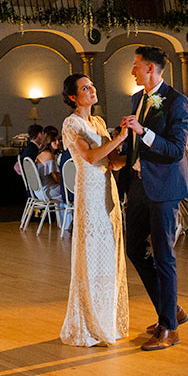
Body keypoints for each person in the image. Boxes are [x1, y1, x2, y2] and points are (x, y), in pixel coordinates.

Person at [113, 46, 188, 352]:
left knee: (163, 257)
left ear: (150, 68)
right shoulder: (138, 99)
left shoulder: (177, 101)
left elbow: (175, 151)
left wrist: (143, 131)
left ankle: (169, 328)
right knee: (134, 248)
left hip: (164, 188)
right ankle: (171, 310)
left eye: (135, 66)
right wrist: (121, 154)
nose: (132, 71)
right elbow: (137, 145)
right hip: (138, 186)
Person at [59, 74, 130, 347]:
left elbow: (111, 162)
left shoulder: (98, 123)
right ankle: (88, 324)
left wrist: (137, 155)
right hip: (89, 193)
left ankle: (107, 320)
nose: (91, 90)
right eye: (85, 88)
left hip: (107, 188)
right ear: (73, 97)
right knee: (92, 254)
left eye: (92, 86)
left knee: (109, 255)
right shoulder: (71, 123)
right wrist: (120, 136)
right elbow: (89, 157)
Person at [34, 126, 65, 202]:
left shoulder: (41, 154)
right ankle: (68, 213)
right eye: (54, 140)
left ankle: (63, 213)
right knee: (73, 191)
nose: (57, 142)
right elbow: (56, 178)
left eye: (58, 140)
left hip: (38, 190)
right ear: (48, 141)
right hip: (48, 191)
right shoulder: (49, 155)